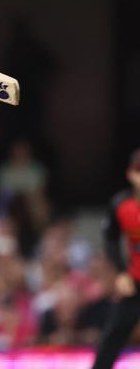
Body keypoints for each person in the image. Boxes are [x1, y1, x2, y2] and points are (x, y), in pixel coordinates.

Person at [90, 148, 140, 369]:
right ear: (131, 175)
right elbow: (110, 239)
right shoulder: (121, 205)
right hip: (134, 283)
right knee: (112, 338)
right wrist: (121, 272)